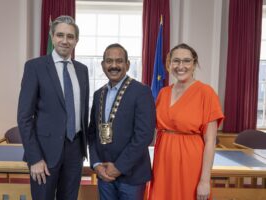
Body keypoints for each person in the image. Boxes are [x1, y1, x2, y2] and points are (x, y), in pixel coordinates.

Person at [17, 15, 89, 200]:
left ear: (76, 40)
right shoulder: (35, 67)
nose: (65, 41)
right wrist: (34, 158)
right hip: (44, 153)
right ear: (52, 36)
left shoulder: (82, 70)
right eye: (60, 35)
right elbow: (24, 117)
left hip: (75, 151)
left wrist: (83, 151)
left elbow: (82, 112)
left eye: (70, 36)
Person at [148, 43, 224, 200]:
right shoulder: (163, 92)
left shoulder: (206, 93)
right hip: (162, 161)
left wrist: (204, 180)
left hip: (190, 163)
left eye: (186, 61)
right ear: (170, 64)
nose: (180, 66)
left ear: (194, 64)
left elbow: (210, 141)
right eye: (176, 61)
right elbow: (154, 131)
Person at [88, 43, 156, 200]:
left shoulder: (141, 92)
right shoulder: (99, 94)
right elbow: (92, 133)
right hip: (104, 174)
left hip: (132, 175)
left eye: (119, 61)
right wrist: (97, 164)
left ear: (127, 64)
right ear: (103, 64)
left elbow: (144, 135)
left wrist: (119, 167)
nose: (113, 65)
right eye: (109, 61)